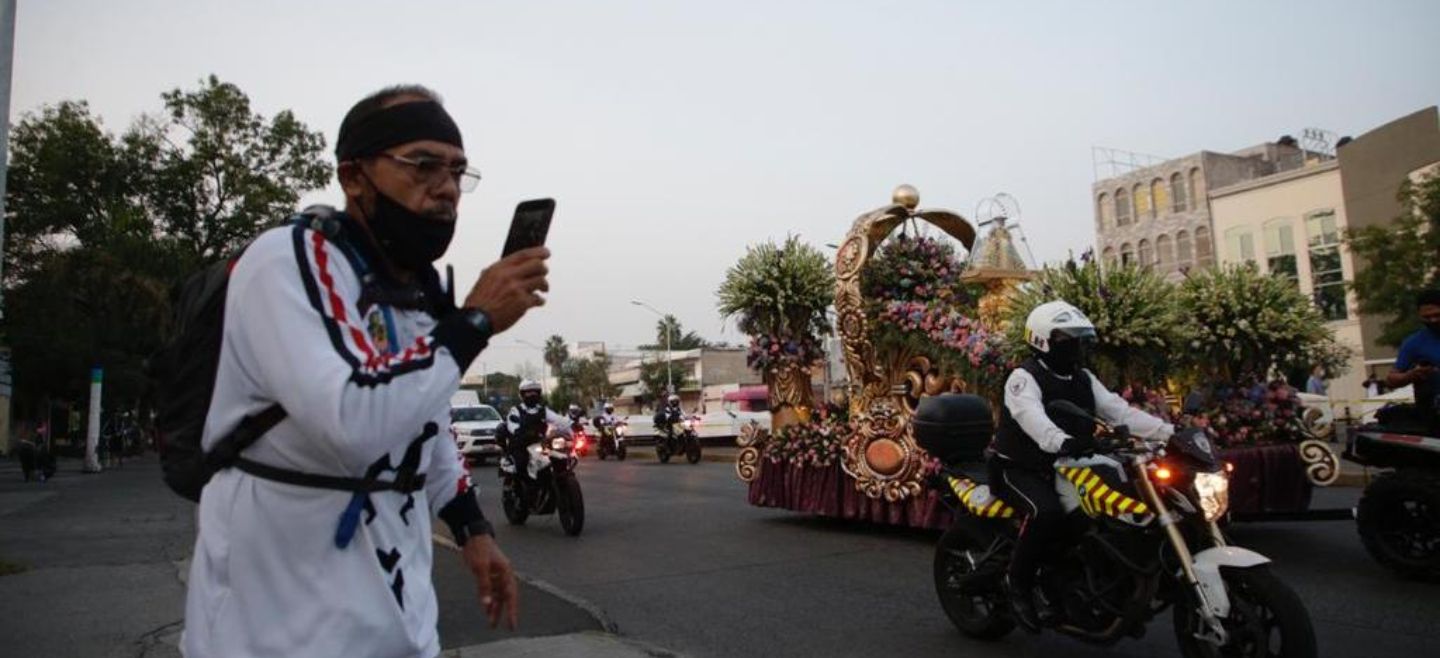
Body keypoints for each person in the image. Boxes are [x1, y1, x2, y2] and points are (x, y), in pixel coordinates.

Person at [183, 85, 551, 657]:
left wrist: (472, 528)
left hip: (399, 623)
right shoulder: (288, 259)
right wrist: (474, 321)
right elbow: (353, 423)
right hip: (278, 629)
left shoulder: (415, 290)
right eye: (423, 165)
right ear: (354, 177)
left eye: (457, 170)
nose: (447, 187)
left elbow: (424, 419)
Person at [990, 301, 1174, 632]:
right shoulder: (1023, 378)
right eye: (1067, 340)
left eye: (1079, 340)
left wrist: (1169, 433)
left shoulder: (1083, 378)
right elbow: (1031, 417)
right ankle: (1016, 583)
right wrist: (1060, 441)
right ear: (1044, 340)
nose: (1076, 347)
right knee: (1046, 514)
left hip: (1067, 462)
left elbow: (1120, 412)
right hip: (1019, 468)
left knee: (1120, 496)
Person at [1387, 290, 1440, 420]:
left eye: (1437, 315)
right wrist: (1411, 375)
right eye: (1426, 317)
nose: (1433, 320)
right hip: (1433, 417)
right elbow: (1391, 379)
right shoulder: (1413, 343)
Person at [501, 381, 570, 476]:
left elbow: (559, 420)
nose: (532, 395)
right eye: (528, 393)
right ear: (522, 395)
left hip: (540, 444)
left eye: (535, 392)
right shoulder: (516, 410)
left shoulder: (542, 410)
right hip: (522, 445)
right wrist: (520, 432)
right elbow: (512, 427)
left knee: (559, 459)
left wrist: (569, 428)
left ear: (539, 394)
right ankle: (520, 488)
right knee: (521, 465)